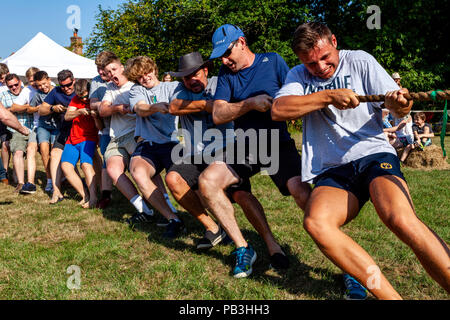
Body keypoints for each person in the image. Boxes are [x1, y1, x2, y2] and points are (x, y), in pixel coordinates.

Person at [272, 22, 450, 299]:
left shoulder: (360, 60)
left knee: (400, 219)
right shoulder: (297, 76)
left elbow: (399, 107)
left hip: (373, 154)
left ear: (334, 41)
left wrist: (400, 103)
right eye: (310, 63)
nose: (319, 67)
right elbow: (279, 109)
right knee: (317, 224)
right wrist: (329, 95)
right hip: (332, 168)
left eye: (325, 58)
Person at [198, 24, 311, 278]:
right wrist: (249, 104)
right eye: (221, 57)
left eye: (227, 53)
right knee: (208, 182)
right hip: (245, 144)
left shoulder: (273, 62)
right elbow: (218, 113)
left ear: (241, 42)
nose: (225, 61)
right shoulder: (226, 74)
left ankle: (341, 257)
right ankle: (243, 247)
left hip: (277, 142)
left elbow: (296, 95)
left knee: (301, 192)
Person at [126, 55, 185, 239]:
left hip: (172, 142)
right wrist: (155, 107)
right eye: (140, 76)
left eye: (147, 72)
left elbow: (178, 105)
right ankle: (172, 218)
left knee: (182, 181)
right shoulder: (137, 90)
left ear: (154, 69)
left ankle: (208, 221)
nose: (145, 78)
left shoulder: (172, 86)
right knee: (138, 172)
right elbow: (140, 109)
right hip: (148, 145)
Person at [98, 55, 155, 220]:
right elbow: (102, 110)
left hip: (135, 134)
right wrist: (118, 108)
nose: (112, 75)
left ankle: (167, 206)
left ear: (122, 67)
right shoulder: (110, 89)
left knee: (147, 171)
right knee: (113, 169)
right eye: (108, 72)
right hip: (116, 138)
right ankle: (144, 210)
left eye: (114, 70)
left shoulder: (134, 86)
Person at [61, 79, 103, 208]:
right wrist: (79, 111)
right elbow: (67, 116)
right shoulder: (75, 99)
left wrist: (95, 116)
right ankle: (85, 195)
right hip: (73, 138)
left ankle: (94, 197)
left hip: (89, 138)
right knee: (66, 167)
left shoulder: (95, 100)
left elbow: (101, 127)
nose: (84, 99)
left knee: (85, 165)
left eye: (85, 96)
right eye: (81, 96)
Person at [39, 69, 76, 203]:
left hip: (82, 131)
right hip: (64, 130)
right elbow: (41, 110)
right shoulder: (55, 92)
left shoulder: (82, 90)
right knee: (54, 154)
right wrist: (52, 108)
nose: (66, 88)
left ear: (74, 80)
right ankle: (56, 191)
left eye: (69, 85)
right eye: (63, 86)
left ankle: (100, 189)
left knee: (91, 158)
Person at [89, 51, 116, 209]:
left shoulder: (121, 77)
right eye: (98, 68)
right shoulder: (96, 82)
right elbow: (92, 103)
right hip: (106, 128)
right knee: (106, 160)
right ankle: (106, 195)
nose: (100, 72)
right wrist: (103, 106)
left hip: (126, 127)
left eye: (102, 68)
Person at [0, 74, 36, 193]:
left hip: (34, 127)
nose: (14, 88)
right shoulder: (3, 96)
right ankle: (21, 183)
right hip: (17, 130)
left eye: (16, 84)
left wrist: (17, 108)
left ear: (20, 82)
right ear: (6, 86)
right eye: (11, 86)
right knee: (18, 151)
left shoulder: (29, 91)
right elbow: (5, 113)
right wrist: (24, 107)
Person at [11, 67, 40, 194]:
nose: (33, 83)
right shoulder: (27, 90)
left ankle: (57, 179)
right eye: (30, 81)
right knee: (20, 151)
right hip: (28, 126)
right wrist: (29, 107)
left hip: (44, 126)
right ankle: (22, 182)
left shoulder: (50, 86)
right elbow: (14, 106)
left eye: (34, 80)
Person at [32, 71, 57, 192]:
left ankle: (58, 178)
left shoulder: (57, 90)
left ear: (49, 79)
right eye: (39, 85)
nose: (42, 87)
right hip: (43, 126)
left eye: (44, 83)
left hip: (57, 126)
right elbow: (30, 108)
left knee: (55, 153)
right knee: (44, 151)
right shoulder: (38, 94)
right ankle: (49, 180)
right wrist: (39, 108)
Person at [0, 63, 11, 183]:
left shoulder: (14, 84)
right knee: (4, 145)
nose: (2, 81)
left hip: (9, 118)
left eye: (3, 77)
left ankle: (4, 172)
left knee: (5, 144)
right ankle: (4, 171)